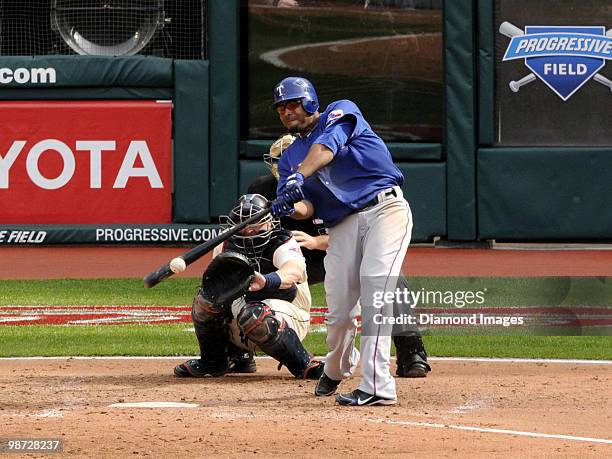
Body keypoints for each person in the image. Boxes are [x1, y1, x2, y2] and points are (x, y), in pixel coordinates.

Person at [269, 76, 413, 406]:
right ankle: (336, 367)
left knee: (376, 291)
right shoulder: (290, 157)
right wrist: (289, 205)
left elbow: (326, 149)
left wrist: (299, 176)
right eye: (280, 108)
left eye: (292, 103)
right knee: (339, 312)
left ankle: (377, 386)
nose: (287, 111)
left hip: (385, 208)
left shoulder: (340, 111)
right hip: (341, 225)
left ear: (309, 101)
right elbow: (308, 208)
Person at [249, 134, 431, 378]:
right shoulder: (262, 190)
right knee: (241, 268)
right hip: (282, 259)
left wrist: (315, 242)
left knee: (391, 277)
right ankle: (233, 354)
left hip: (328, 252)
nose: (286, 165)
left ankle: (412, 354)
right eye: (279, 159)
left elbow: (355, 235)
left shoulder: (334, 185)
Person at [174, 193, 324, 380]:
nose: (249, 233)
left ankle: (304, 363)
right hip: (244, 313)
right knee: (205, 301)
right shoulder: (226, 244)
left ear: (270, 223)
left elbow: (292, 271)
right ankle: (220, 361)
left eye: (255, 227)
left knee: (255, 314)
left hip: (289, 313)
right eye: (244, 228)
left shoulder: (282, 240)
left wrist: (267, 281)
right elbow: (217, 288)